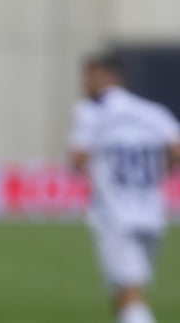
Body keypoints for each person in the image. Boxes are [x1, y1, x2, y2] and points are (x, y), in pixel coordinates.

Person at [69, 51, 180, 323]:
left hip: (117, 215)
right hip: (152, 213)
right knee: (126, 293)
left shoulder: (92, 112)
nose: (84, 83)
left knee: (129, 296)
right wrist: (157, 173)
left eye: (88, 76)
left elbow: (78, 159)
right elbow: (176, 149)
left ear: (105, 76)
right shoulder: (152, 111)